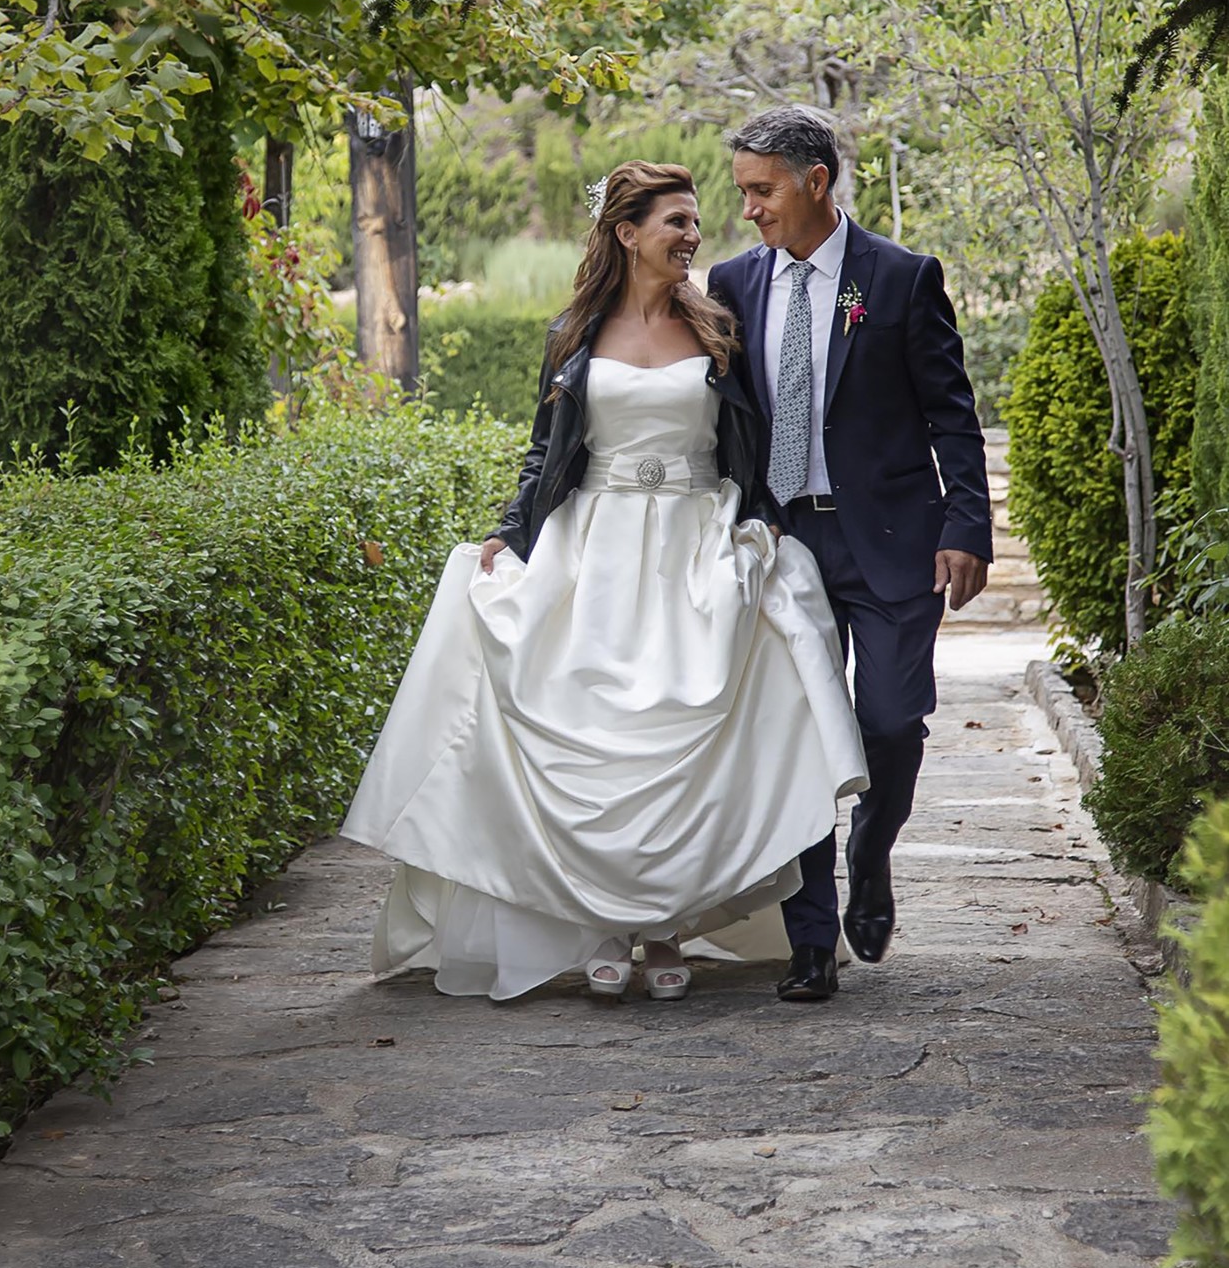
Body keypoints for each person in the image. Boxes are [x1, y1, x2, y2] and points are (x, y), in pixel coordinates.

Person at [341, 161, 868, 1002]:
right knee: (597, 737)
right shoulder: (572, 335)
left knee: (680, 745)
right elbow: (546, 453)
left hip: (697, 549)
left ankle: (664, 932)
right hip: (598, 551)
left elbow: (752, 443)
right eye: (677, 223)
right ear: (627, 233)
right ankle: (606, 927)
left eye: (696, 223)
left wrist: (762, 518)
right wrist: (511, 534)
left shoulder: (717, 326)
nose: (694, 236)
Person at [708, 106, 993, 1003]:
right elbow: (726, 421)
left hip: (893, 537)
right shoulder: (732, 282)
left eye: (763, 191)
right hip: (786, 543)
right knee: (800, 739)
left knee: (889, 721)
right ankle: (810, 942)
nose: (749, 209)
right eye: (744, 192)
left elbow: (952, 410)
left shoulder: (900, 279)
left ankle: (872, 845)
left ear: (816, 183)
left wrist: (965, 528)